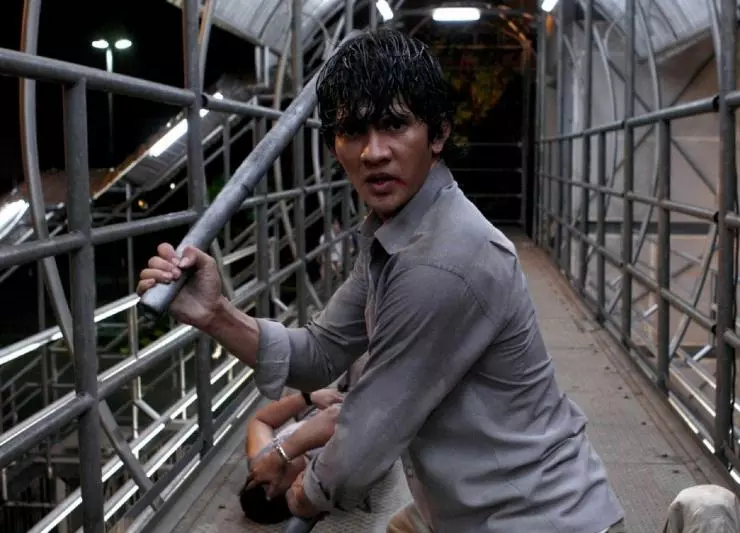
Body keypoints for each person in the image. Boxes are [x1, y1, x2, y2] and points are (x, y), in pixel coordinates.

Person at [137, 28, 625, 533]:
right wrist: (216, 314)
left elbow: (365, 440)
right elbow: (320, 353)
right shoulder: (399, 236)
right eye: (353, 130)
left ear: (438, 135)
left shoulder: (442, 260)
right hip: (477, 510)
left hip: (538, 518)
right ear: (335, 147)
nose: (373, 152)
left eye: (394, 124)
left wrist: (297, 492)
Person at [240, 387, 343, 524]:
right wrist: (281, 455)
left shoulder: (264, 463)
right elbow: (335, 417)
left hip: (313, 407)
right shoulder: (326, 475)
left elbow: (260, 421)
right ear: (294, 490)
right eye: (282, 471)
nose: (272, 468)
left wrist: (308, 398)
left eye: (259, 475)